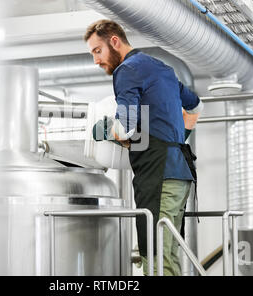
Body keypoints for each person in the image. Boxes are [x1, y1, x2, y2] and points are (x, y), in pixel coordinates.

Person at [86, 19, 203, 276]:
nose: (96, 60)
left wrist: (105, 130)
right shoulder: (162, 69)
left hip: (159, 176)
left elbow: (125, 126)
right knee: (168, 253)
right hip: (178, 173)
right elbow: (196, 107)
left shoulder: (127, 70)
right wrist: (177, 138)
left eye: (97, 51)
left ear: (114, 41)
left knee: (156, 256)